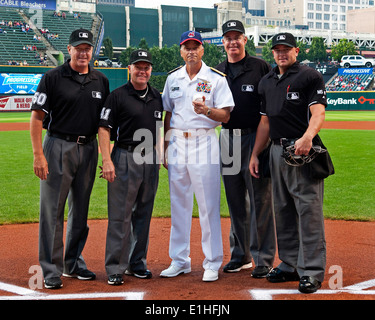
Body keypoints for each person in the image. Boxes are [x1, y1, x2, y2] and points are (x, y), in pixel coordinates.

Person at [30, 28, 110, 289]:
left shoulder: (101, 80)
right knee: (52, 211)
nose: (84, 52)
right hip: (57, 146)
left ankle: (72, 263)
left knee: (81, 211)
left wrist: (105, 155)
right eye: (79, 47)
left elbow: (105, 124)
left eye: (88, 48)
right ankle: (51, 269)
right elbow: (37, 117)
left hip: (87, 149)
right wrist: (38, 155)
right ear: (70, 50)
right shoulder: (52, 77)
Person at [249, 32, 327, 293]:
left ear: (296, 51)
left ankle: (312, 271)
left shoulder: (309, 76)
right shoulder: (267, 81)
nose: (282, 53)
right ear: (272, 53)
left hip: (301, 150)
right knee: (282, 209)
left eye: (286, 49)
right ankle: (290, 264)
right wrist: (254, 154)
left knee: (308, 211)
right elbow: (265, 122)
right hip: (275, 150)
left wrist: (307, 137)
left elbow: (319, 112)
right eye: (277, 49)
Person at [160, 30, 235, 282]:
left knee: (208, 204)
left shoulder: (215, 78)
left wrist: (207, 111)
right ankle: (179, 260)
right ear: (181, 51)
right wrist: (165, 144)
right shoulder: (173, 79)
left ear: (203, 50)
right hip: (179, 142)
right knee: (178, 203)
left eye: (196, 46)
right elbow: (167, 114)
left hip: (204, 140)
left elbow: (225, 115)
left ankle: (212, 262)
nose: (191, 50)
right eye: (186, 46)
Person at [216, 20, 276, 278]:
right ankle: (240, 256)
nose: (232, 42)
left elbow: (270, 105)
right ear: (223, 42)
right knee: (235, 200)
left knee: (260, 198)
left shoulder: (260, 66)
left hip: (255, 139)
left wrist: (262, 146)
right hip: (228, 139)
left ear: (245, 40)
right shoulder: (217, 71)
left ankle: (263, 258)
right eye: (228, 38)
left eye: (237, 37)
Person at [98, 49, 163, 286]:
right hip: (125, 156)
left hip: (150, 160)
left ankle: (137, 263)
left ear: (150, 70)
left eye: (146, 67)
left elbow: (159, 130)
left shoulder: (157, 96)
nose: (142, 70)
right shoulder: (117, 96)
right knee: (120, 215)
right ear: (130, 69)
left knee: (144, 215)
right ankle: (115, 266)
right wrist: (107, 160)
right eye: (138, 66)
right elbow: (104, 129)